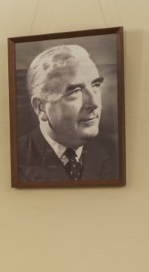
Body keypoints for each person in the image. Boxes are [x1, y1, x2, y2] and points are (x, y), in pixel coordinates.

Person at [14, 43, 119, 183]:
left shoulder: (116, 152)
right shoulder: (14, 156)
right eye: (75, 92)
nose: (94, 104)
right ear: (41, 107)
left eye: (95, 85)